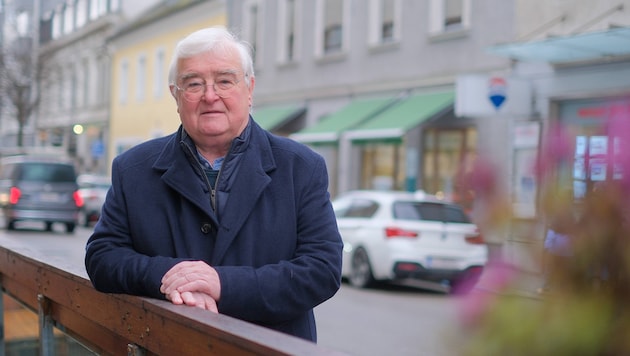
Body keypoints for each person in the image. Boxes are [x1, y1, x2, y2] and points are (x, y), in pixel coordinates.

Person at [84, 26, 343, 342]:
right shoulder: (133, 169)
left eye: (224, 80)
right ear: (175, 95)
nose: (210, 96)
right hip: (166, 346)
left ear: (249, 89)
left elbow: (322, 269)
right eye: (193, 84)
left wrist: (221, 283)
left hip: (267, 348)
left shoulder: (300, 167)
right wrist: (171, 276)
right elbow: (102, 257)